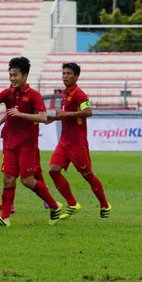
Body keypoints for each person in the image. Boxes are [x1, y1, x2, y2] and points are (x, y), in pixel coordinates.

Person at [0, 56, 62, 227]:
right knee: (8, 179)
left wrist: (21, 115)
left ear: (25, 75)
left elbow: (42, 117)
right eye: (10, 75)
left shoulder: (34, 95)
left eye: (15, 75)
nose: (12, 78)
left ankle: (54, 206)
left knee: (27, 180)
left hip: (27, 144)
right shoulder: (9, 92)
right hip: (10, 142)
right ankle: (5, 219)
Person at [46, 63, 112, 220]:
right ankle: (72, 203)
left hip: (77, 142)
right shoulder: (64, 94)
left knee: (87, 174)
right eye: (63, 73)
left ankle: (104, 205)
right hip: (64, 141)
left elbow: (88, 112)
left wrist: (65, 114)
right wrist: (54, 118)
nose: (65, 76)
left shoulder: (79, 94)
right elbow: (65, 114)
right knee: (53, 170)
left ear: (76, 76)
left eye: (68, 73)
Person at [0, 114, 50, 214]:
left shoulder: (29, 100)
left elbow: (40, 115)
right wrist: (0, 122)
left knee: (33, 171)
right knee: (9, 173)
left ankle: (46, 195)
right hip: (10, 138)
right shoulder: (16, 100)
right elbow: (10, 111)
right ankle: (9, 203)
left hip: (26, 140)